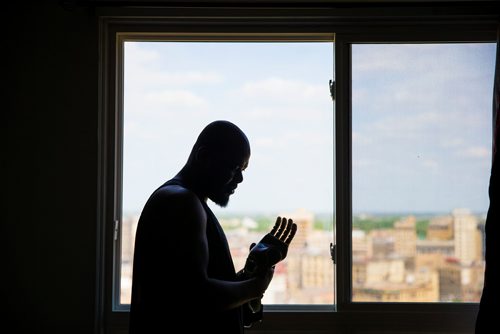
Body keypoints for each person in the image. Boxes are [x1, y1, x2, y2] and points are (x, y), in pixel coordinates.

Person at [129, 120, 296, 334]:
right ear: (204, 157)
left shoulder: (188, 201)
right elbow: (198, 297)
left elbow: (188, 293)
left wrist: (252, 270)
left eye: (243, 169)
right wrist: (256, 287)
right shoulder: (181, 202)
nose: (241, 178)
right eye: (234, 167)